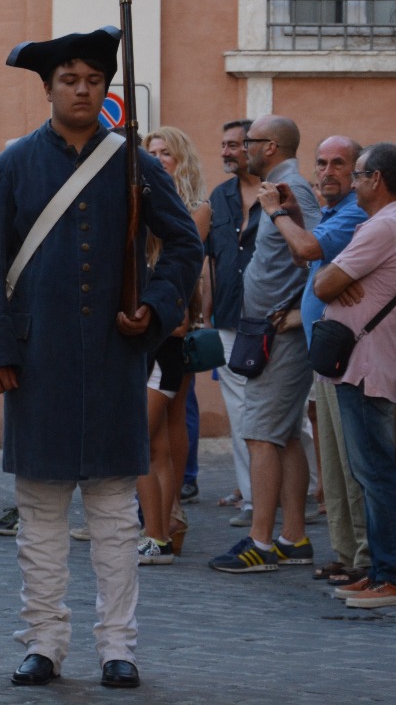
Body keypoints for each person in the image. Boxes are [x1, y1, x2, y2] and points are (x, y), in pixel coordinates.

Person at [0, 30, 199, 691]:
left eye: (93, 80)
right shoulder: (13, 166)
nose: (82, 89)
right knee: (40, 516)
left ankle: (117, 646)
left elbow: (183, 245)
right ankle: (43, 641)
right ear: (48, 88)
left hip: (112, 359)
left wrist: (155, 307)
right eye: (69, 79)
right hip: (37, 361)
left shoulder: (135, 164)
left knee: (113, 515)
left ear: (107, 87)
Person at [312, 143, 396, 609]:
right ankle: (381, 571)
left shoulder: (384, 226)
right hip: (365, 362)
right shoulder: (391, 223)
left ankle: (395, 577)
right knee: (369, 472)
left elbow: (322, 283)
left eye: (357, 174)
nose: (353, 183)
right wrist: (341, 279)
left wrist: (339, 279)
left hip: (367, 365)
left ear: (376, 179)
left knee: (375, 473)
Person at [210, 115, 320, 575]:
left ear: (270, 146)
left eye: (248, 142)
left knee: (258, 434)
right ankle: (293, 538)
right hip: (269, 329)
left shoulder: (293, 190)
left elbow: (318, 250)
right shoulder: (281, 187)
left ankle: (260, 542)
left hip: (280, 335)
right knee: (284, 436)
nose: (242, 149)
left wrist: (299, 312)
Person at [272, 135, 372, 586]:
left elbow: (310, 251)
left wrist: (276, 214)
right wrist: (296, 215)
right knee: (331, 464)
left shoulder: (354, 213)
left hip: (348, 356)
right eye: (322, 163)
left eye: (339, 163)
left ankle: (364, 558)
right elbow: (304, 255)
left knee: (351, 466)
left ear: (359, 171)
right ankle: (346, 553)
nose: (328, 171)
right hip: (326, 355)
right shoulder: (332, 212)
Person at [135, 126, 212, 565]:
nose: (159, 159)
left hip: (171, 325)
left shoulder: (196, 208)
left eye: (166, 153)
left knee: (148, 435)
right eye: (153, 152)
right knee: (157, 437)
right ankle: (163, 526)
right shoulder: (144, 201)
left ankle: (160, 530)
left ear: (181, 160)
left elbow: (184, 263)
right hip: (149, 329)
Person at [204, 121, 260, 522]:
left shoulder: (281, 195)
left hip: (271, 320)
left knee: (288, 415)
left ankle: (310, 486)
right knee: (239, 413)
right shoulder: (218, 197)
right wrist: (205, 313)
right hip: (226, 318)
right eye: (223, 145)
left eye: (233, 145)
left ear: (253, 148)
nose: (225, 152)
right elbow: (211, 260)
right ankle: (254, 497)